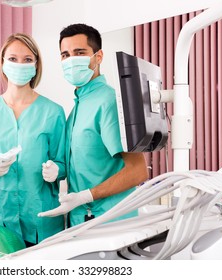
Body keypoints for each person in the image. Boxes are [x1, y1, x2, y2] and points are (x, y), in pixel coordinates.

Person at [39, 23, 149, 227]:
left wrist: (86, 196)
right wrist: (58, 170)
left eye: (79, 52)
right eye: (65, 55)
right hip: (83, 221)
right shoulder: (76, 109)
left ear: (98, 57)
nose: (71, 60)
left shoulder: (108, 103)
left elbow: (138, 171)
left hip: (110, 221)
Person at [0, 33, 66, 246]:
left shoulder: (53, 112)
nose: (20, 64)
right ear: (2, 63)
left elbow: (64, 162)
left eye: (27, 59)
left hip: (42, 219)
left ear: (36, 65)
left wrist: (57, 170)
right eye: (13, 59)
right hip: (0, 219)